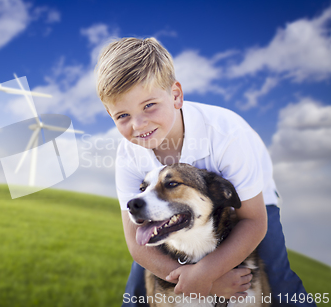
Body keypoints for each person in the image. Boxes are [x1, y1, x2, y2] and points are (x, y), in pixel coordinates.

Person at [95, 37, 314, 306]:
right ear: (109, 114)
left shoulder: (227, 135)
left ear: (176, 95)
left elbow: (253, 221)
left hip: (250, 202)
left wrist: (207, 273)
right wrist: (200, 282)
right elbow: (136, 243)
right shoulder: (129, 154)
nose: (138, 125)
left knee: (278, 278)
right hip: (166, 210)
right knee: (136, 291)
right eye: (122, 116)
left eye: (149, 105)